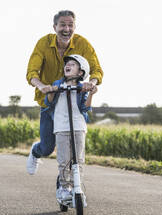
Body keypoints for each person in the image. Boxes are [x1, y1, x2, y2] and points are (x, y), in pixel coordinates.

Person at [26, 10, 103, 175]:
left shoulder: (82, 43)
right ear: (55, 27)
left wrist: (92, 83)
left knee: (73, 149)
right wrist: (42, 86)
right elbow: (32, 72)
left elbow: (96, 69)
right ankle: (35, 151)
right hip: (50, 101)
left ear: (75, 27)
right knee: (47, 148)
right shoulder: (43, 43)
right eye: (62, 25)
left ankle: (67, 186)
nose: (66, 29)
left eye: (70, 25)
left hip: (73, 101)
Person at [45, 54, 97, 201]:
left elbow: (85, 108)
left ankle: (77, 186)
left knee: (79, 159)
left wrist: (90, 93)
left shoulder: (82, 88)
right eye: (67, 64)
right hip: (61, 127)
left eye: (73, 64)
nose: (68, 65)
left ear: (81, 72)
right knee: (64, 159)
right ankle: (64, 187)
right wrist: (51, 91)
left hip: (79, 127)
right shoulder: (58, 83)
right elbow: (48, 103)